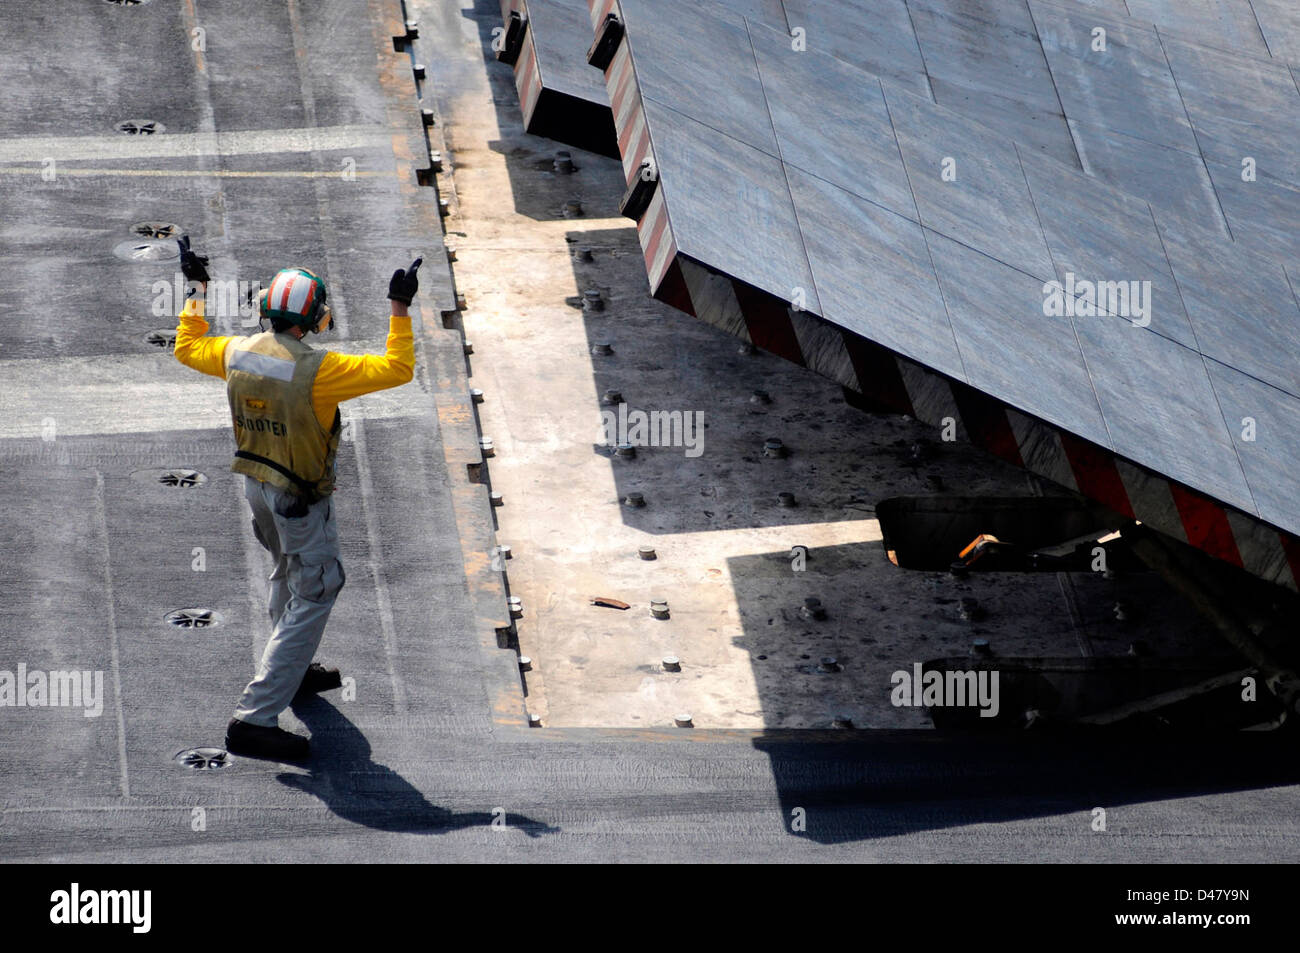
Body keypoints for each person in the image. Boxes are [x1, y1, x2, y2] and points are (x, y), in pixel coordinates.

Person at [171, 236, 422, 760]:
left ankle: (295, 669)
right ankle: (254, 718)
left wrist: (196, 289)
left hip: (257, 488)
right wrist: (399, 307)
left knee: (286, 572)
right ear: (315, 319)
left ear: (266, 310)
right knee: (318, 589)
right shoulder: (321, 370)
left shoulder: (236, 352)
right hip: (300, 500)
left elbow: (187, 347)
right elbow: (398, 369)